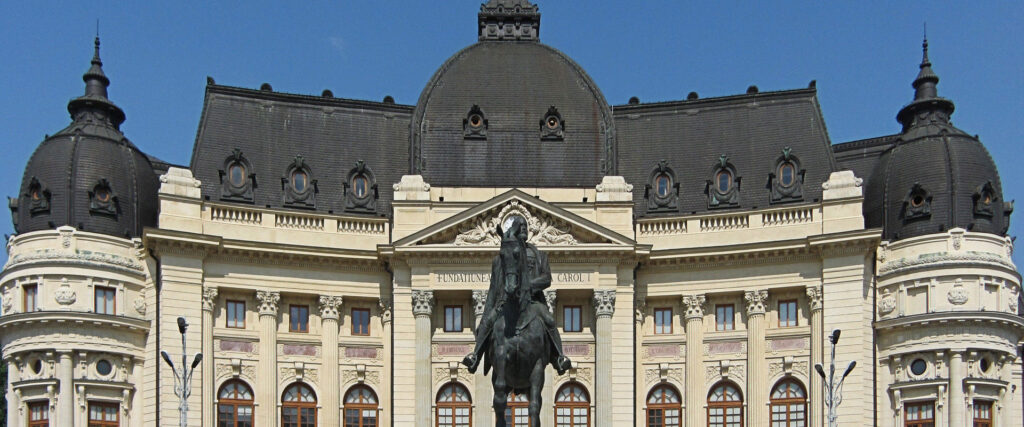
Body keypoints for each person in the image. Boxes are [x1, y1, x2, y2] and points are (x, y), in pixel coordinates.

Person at [463, 215, 573, 375]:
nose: (523, 228)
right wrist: (487, 313)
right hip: (505, 303)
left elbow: (546, 279)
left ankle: (559, 358)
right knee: (488, 322)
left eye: (525, 225)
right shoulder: (500, 260)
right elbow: (493, 289)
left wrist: (528, 286)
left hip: (533, 303)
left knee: (549, 320)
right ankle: (475, 356)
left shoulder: (540, 255)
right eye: (518, 225)